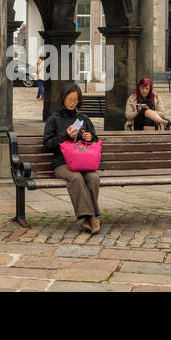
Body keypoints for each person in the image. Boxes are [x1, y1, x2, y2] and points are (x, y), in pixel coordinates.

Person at [43, 82, 101, 234]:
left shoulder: (83, 119)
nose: (72, 103)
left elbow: (94, 139)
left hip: (82, 161)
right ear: (63, 99)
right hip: (62, 163)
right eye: (69, 99)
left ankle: (88, 218)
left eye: (75, 100)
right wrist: (65, 136)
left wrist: (90, 137)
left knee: (94, 177)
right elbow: (48, 145)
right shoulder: (54, 120)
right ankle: (92, 217)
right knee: (76, 178)